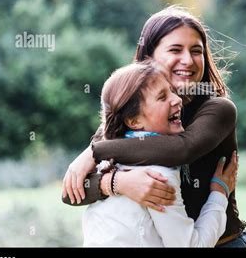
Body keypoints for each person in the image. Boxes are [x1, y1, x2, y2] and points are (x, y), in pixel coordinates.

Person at [63, 6, 246, 247]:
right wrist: (117, 183)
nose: (188, 59)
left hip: (223, 243)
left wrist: (94, 151)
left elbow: (182, 148)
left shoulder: (218, 109)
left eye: (197, 51)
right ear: (148, 58)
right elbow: (72, 192)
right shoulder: (133, 114)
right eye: (175, 49)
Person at [83, 61, 237, 246]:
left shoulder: (106, 162)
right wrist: (219, 195)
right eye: (162, 97)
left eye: (172, 91)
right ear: (134, 121)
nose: (177, 99)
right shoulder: (157, 175)